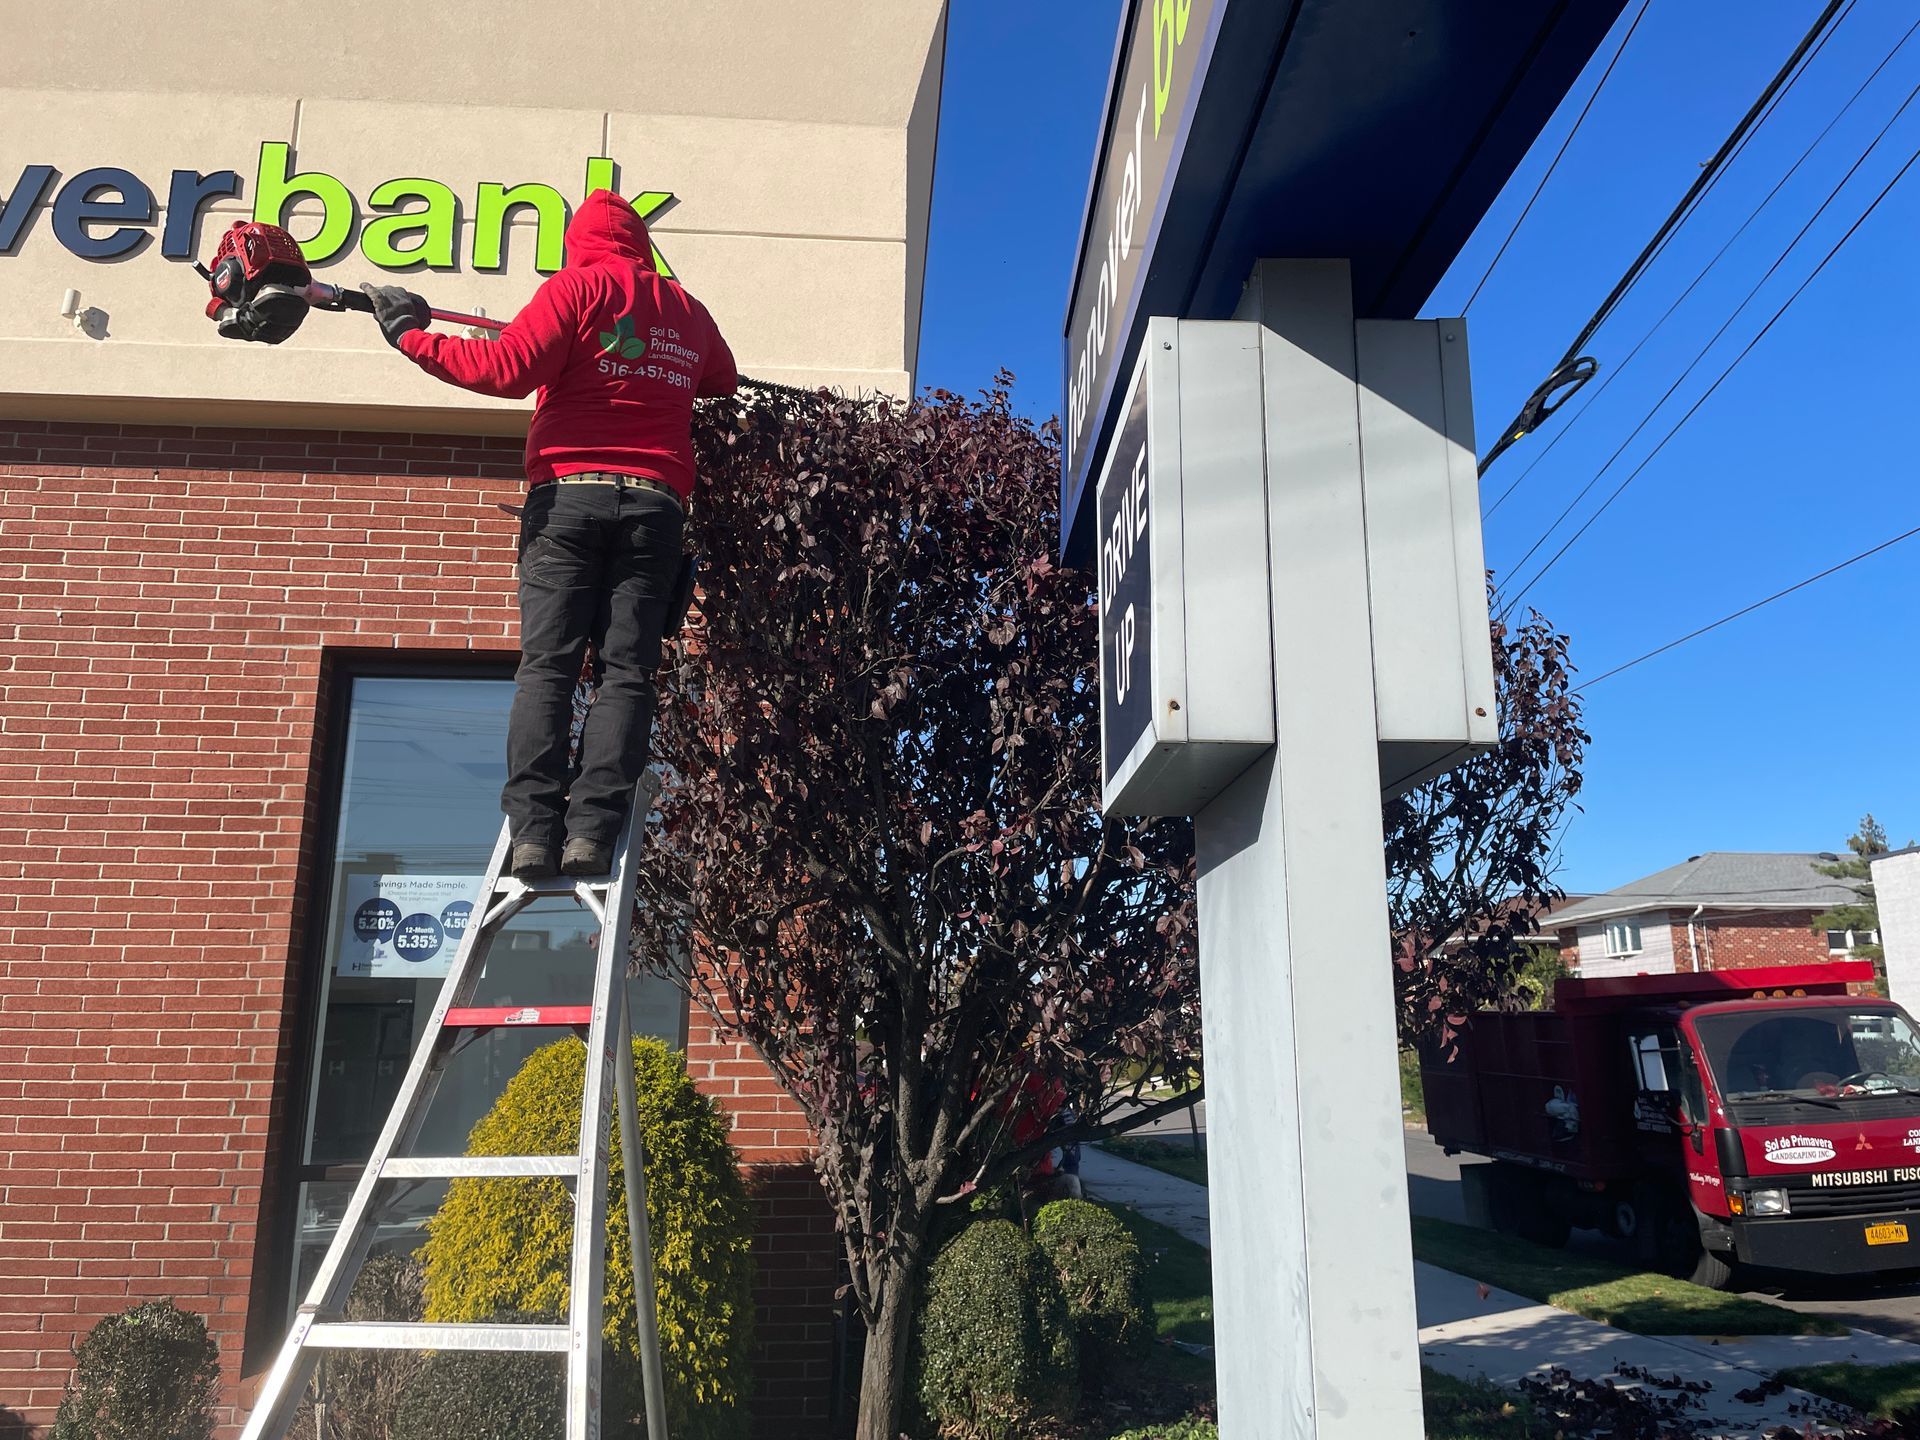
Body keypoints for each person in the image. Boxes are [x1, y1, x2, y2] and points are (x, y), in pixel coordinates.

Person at [361, 190, 737, 880]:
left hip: (569, 496)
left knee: (549, 669)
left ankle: (535, 835)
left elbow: (503, 370)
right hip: (655, 507)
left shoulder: (575, 288)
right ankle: (593, 833)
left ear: (578, 243)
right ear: (640, 245)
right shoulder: (686, 308)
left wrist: (410, 336)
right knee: (627, 673)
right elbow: (723, 377)